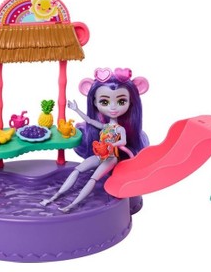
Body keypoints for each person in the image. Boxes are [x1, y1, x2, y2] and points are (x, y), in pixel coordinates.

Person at [41, 67, 149, 212]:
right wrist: (76, 109)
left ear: (130, 103)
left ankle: (71, 205)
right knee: (77, 170)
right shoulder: (105, 126)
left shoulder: (119, 129)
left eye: (121, 101)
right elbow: (90, 121)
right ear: (95, 103)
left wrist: (113, 143)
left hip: (111, 158)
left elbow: (123, 142)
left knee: (93, 178)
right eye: (104, 102)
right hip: (100, 155)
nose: (113, 107)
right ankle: (54, 197)